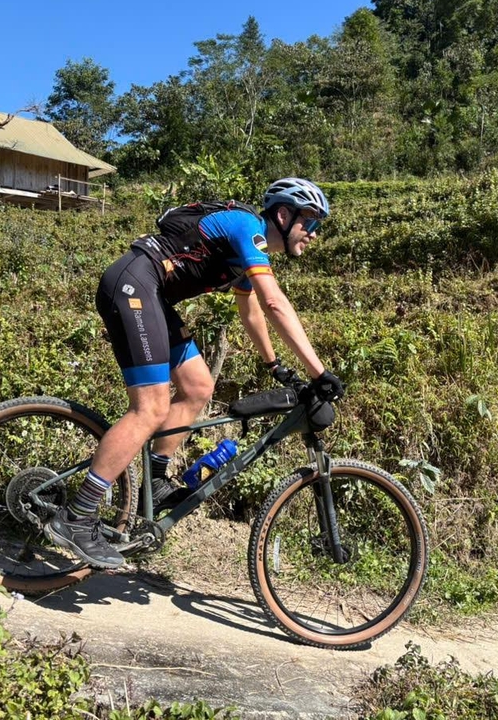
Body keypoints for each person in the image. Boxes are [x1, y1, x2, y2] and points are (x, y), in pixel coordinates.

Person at [44, 177, 345, 568]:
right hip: (135, 285)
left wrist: (275, 365)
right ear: (284, 216)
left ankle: (154, 479)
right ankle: (78, 516)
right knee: (150, 408)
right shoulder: (247, 228)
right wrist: (319, 372)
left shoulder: (248, 251)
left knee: (199, 386)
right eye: (311, 222)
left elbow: (252, 311)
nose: (315, 233)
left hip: (151, 295)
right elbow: (274, 303)